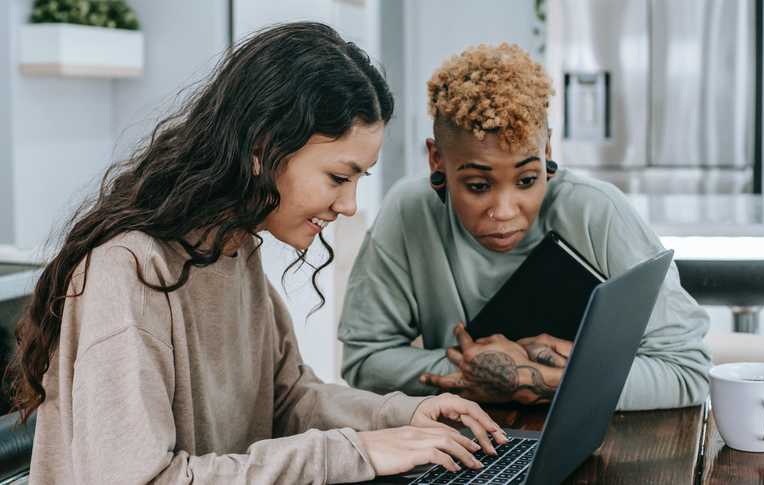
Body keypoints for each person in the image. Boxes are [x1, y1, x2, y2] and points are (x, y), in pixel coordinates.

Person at [10, 23, 508, 485]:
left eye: (359, 179)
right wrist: (356, 451)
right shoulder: (128, 273)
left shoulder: (232, 248)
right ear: (262, 149)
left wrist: (401, 416)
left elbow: (287, 397)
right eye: (338, 176)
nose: (350, 204)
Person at [338, 43, 711, 411]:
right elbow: (364, 362)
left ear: (547, 151)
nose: (503, 211)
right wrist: (483, 371)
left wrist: (536, 379)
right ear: (437, 159)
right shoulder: (410, 211)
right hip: (466, 444)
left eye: (527, 180)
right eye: (478, 186)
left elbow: (687, 371)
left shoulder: (596, 212)